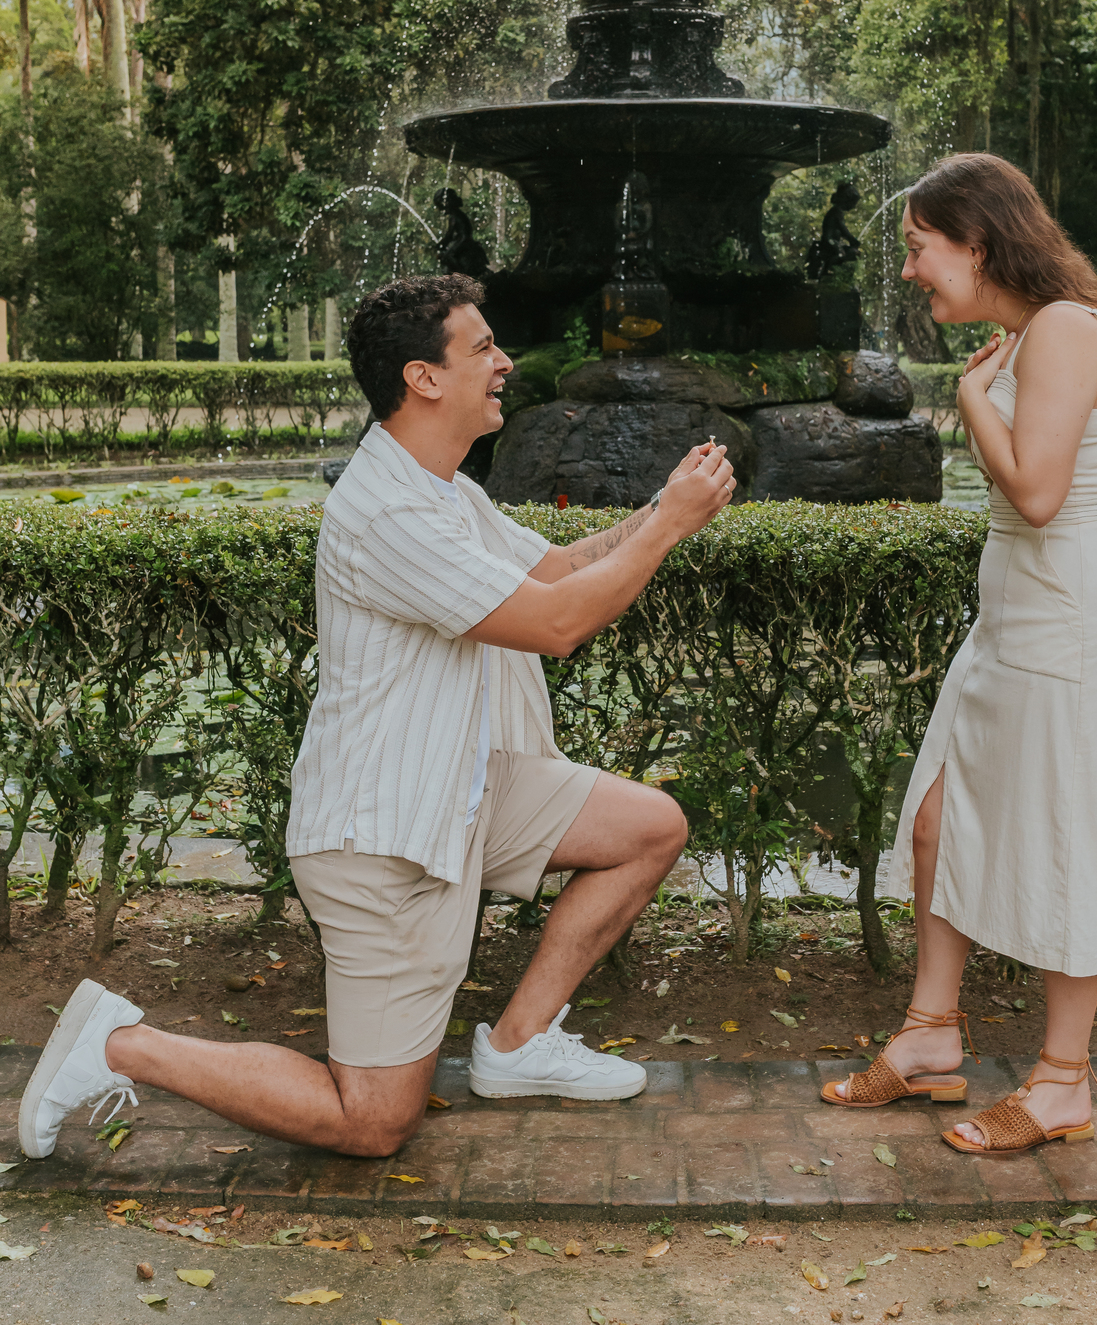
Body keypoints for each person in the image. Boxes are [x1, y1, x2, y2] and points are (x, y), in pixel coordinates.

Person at [19, 274, 737, 1161]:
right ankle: (120, 1044)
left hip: (462, 788)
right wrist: (669, 527)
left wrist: (664, 507)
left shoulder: (443, 489)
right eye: (483, 348)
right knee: (372, 1121)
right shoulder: (388, 511)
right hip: (384, 836)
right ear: (423, 378)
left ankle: (516, 1047)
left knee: (648, 827)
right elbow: (557, 625)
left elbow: (555, 570)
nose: (507, 363)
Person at [822, 152, 1097, 1157]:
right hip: (1017, 616)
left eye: (919, 247)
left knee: (1071, 835)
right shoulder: (1030, 333)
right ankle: (931, 1035)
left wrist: (970, 402)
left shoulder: (1063, 329)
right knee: (940, 817)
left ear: (977, 244)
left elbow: (1040, 494)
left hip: (1075, 620)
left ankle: (1063, 1082)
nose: (910, 269)